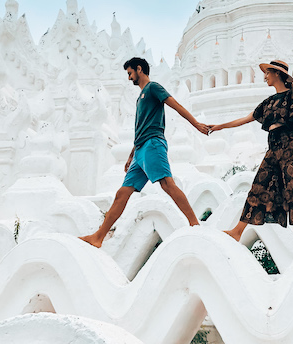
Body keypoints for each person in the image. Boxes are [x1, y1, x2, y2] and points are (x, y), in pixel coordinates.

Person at [208, 59, 293, 240]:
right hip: (273, 147)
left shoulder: (292, 95)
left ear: (277, 74)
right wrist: (219, 126)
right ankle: (238, 231)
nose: (265, 77)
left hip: (291, 143)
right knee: (259, 186)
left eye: (267, 73)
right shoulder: (268, 102)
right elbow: (245, 118)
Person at [80, 57, 208, 247]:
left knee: (167, 184)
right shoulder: (139, 98)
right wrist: (131, 155)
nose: (129, 77)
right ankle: (98, 237)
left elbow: (177, 105)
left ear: (140, 69)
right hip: (140, 150)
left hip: (153, 144)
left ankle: (195, 224)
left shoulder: (153, 88)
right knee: (122, 194)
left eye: (130, 73)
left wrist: (196, 123)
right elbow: (140, 127)